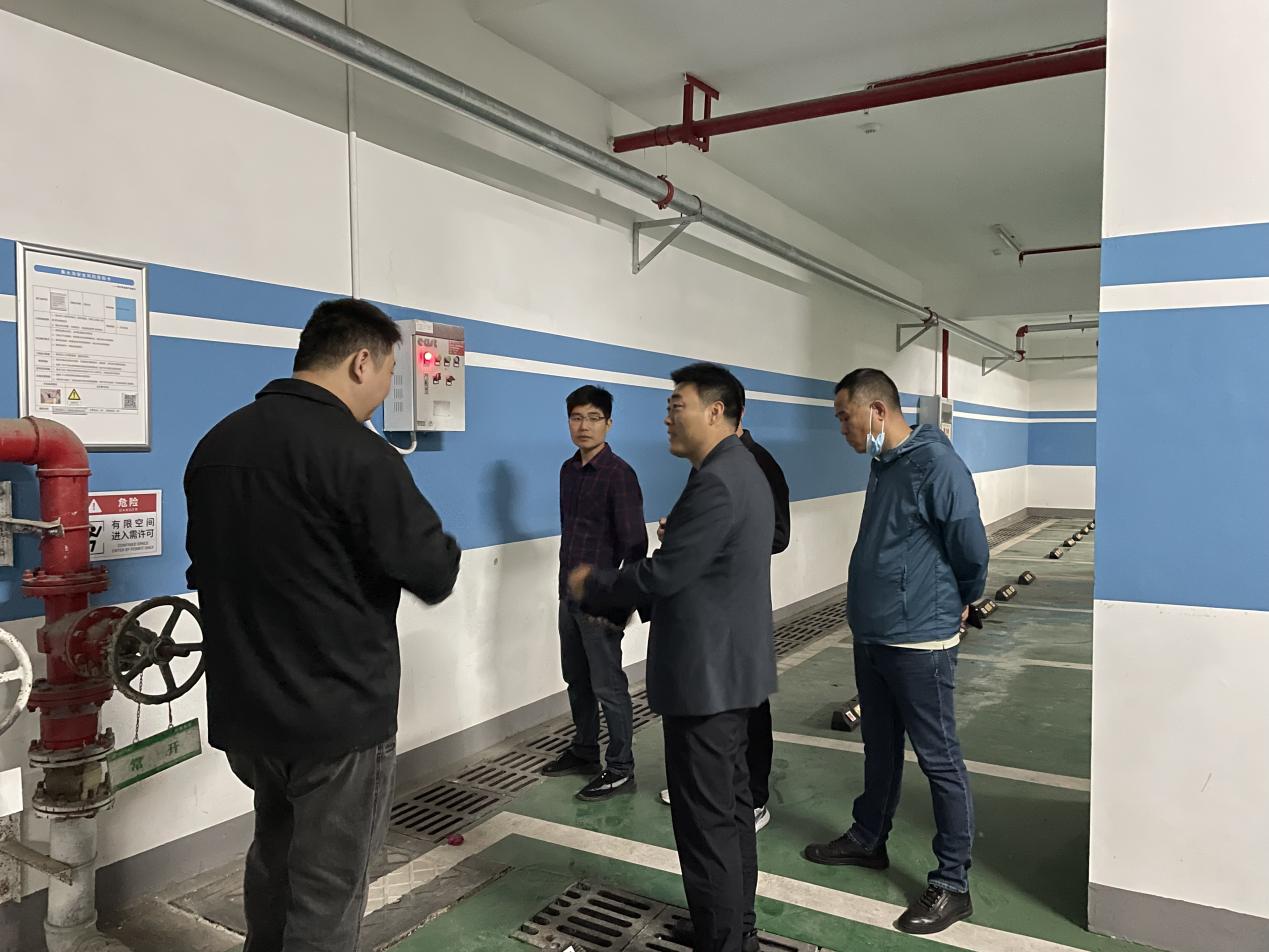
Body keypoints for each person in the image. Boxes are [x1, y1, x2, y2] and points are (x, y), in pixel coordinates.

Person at [184, 298, 461, 952]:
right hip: (337, 720)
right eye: (389, 372)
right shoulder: (360, 456)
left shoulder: (217, 445)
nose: (386, 388)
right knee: (327, 896)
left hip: (248, 713)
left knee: (274, 861)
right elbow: (433, 571)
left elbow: (206, 566)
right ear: (362, 361)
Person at [570, 362, 775, 952]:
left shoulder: (717, 480)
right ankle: (732, 928)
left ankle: (723, 939)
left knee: (706, 823)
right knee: (730, 812)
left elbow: (666, 573)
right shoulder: (738, 468)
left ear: (715, 411)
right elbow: (696, 565)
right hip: (730, 670)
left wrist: (595, 586)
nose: (667, 417)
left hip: (705, 677)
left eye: (675, 405)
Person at [803, 368, 987, 936]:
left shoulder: (938, 465)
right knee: (879, 747)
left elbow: (970, 547)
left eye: (845, 417)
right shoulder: (884, 462)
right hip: (875, 634)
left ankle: (953, 883)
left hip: (920, 639)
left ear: (877, 411)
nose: (842, 429)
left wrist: (964, 596)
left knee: (939, 759)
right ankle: (868, 838)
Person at [658, 404, 790, 836]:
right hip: (704, 608)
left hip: (736, 601)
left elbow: (778, 534)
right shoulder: (707, 463)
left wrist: (714, 540)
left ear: (729, 412)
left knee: (748, 704)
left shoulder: (758, 463)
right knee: (710, 701)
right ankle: (709, 785)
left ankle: (754, 796)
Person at [541, 385, 648, 801]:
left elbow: (635, 546)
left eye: (593, 418)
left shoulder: (619, 475)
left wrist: (618, 601)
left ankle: (620, 768)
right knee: (576, 678)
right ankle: (584, 750)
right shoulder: (568, 470)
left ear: (608, 423)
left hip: (601, 600)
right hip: (568, 595)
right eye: (576, 418)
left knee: (608, 685)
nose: (583, 426)